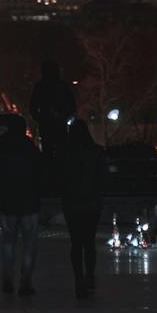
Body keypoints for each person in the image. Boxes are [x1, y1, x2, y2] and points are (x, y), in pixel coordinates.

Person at [0, 111, 46, 298]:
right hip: (30, 202)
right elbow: (42, 174)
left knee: (8, 243)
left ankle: (7, 279)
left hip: (9, 202)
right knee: (29, 244)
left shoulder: (0, 149)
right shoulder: (31, 149)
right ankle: (25, 281)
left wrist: (1, 190)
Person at [56, 114, 108, 300]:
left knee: (76, 243)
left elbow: (59, 179)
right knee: (89, 242)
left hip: (72, 203)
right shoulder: (96, 152)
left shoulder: (65, 154)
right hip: (92, 203)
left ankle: (79, 279)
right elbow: (104, 178)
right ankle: (90, 277)